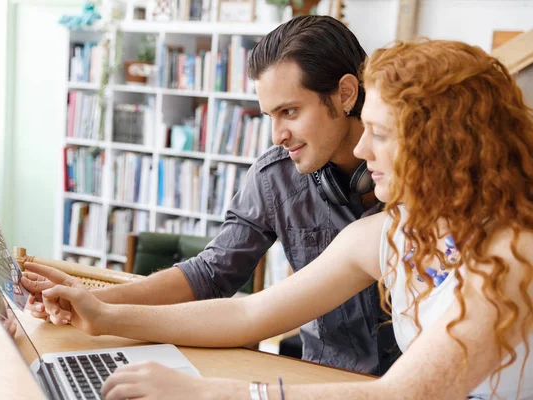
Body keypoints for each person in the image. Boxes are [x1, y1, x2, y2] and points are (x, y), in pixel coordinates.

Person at [28, 39, 533, 399]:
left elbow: (402, 393)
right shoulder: (390, 234)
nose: (361, 147)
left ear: (440, 145)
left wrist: (205, 394)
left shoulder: (514, 256)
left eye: (379, 134)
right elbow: (250, 313)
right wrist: (103, 314)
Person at [23, 15, 398, 375]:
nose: (277, 135)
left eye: (290, 111)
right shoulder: (275, 176)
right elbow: (211, 278)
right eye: (270, 115)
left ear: (345, 94)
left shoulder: (420, 185)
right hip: (325, 375)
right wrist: (94, 299)